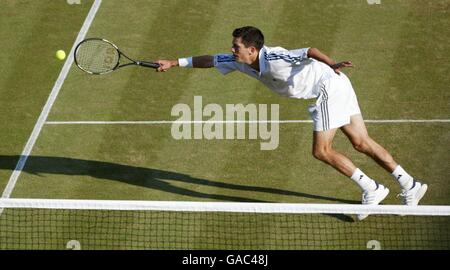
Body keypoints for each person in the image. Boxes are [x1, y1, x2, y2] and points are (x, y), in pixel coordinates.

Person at [155, 26, 427, 220]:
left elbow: (309, 50)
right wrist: (173, 62)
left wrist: (333, 63)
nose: (232, 50)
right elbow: (210, 60)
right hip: (337, 86)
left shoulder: (274, 56)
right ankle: (410, 185)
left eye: (236, 46)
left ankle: (372, 188)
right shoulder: (239, 61)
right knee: (361, 142)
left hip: (328, 87)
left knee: (322, 151)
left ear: (252, 49)